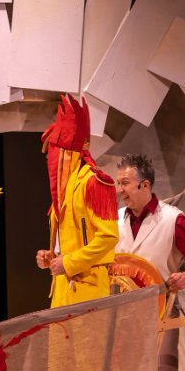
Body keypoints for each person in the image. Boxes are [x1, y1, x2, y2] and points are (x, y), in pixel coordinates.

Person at [115, 153, 185, 371]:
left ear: (144, 185)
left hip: (162, 306)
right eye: (118, 183)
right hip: (122, 310)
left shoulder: (172, 219)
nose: (120, 190)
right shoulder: (114, 220)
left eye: (125, 183)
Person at [35, 94, 119, 307]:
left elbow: (108, 237)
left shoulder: (93, 182)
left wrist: (70, 262)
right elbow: (71, 239)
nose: (51, 159)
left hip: (88, 289)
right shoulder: (64, 191)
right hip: (62, 288)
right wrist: (52, 255)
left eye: (55, 151)